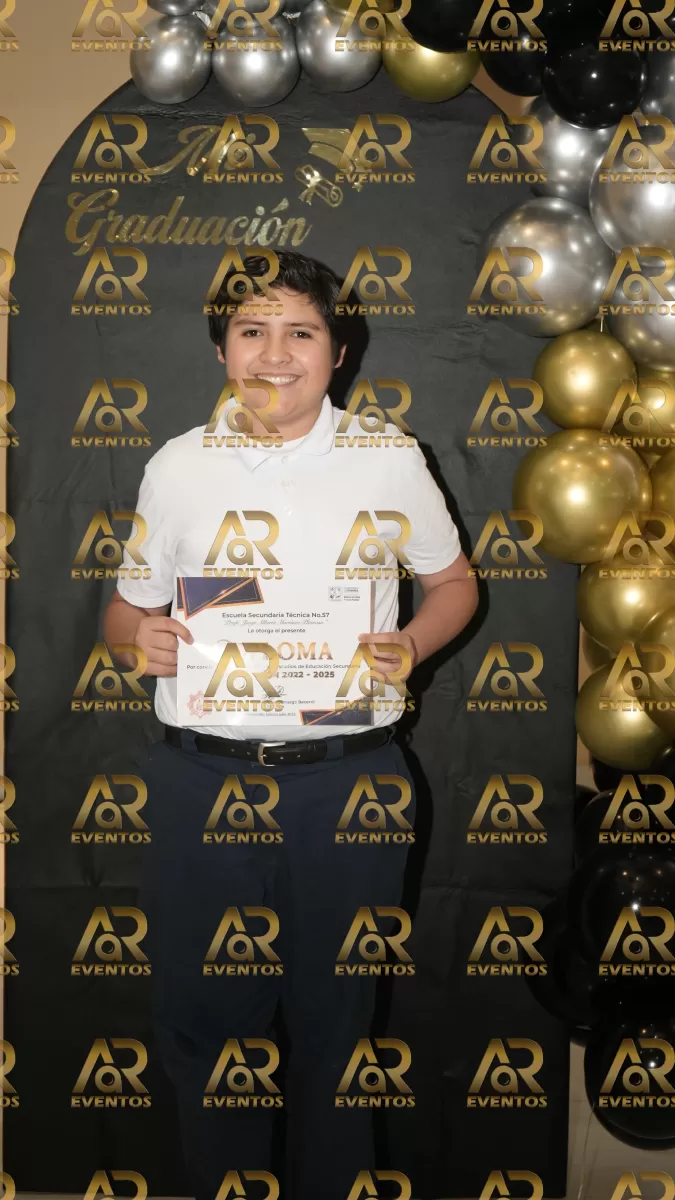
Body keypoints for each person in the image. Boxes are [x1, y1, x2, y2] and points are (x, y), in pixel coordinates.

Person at [103, 250, 478, 1200]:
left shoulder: (388, 458)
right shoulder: (176, 465)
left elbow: (453, 584)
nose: (275, 354)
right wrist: (136, 639)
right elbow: (126, 610)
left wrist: (412, 644)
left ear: (337, 350)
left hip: (346, 784)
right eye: (251, 330)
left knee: (336, 1034)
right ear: (222, 349)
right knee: (205, 1030)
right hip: (202, 782)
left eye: (300, 331)